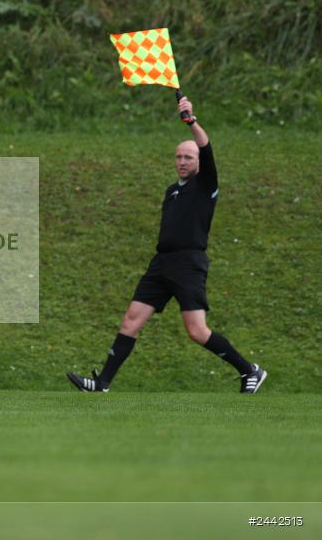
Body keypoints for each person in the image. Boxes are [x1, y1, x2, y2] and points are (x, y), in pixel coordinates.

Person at [66, 96, 267, 394]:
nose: (182, 162)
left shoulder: (206, 184)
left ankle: (249, 370)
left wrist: (191, 121)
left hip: (188, 264)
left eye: (188, 157)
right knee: (130, 321)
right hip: (161, 264)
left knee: (197, 331)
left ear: (198, 162)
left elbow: (207, 149)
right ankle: (101, 383)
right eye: (179, 157)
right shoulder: (172, 191)